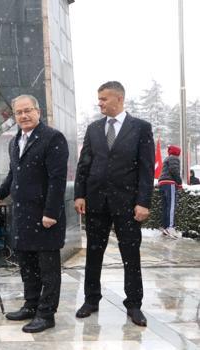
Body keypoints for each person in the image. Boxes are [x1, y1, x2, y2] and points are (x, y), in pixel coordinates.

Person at [74, 81, 155, 327]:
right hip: (96, 202)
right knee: (93, 253)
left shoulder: (140, 128)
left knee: (130, 255)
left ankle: (134, 304)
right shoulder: (94, 129)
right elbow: (84, 164)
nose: (99, 103)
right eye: (99, 98)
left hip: (128, 204)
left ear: (119, 99)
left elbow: (146, 168)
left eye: (104, 98)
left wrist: (143, 202)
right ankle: (91, 299)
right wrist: (80, 194)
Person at [0, 94, 69, 333]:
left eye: (28, 111)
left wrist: (51, 212)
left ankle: (46, 314)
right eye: (19, 112)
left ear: (38, 112)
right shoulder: (15, 141)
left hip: (45, 216)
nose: (23, 116)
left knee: (48, 269)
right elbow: (14, 173)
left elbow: (58, 179)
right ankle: (31, 304)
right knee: (27, 265)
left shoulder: (53, 138)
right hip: (22, 215)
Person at [158, 145, 182, 238]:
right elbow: (174, 170)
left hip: (163, 183)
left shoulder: (167, 158)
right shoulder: (174, 158)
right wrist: (179, 182)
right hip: (170, 183)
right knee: (171, 206)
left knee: (165, 207)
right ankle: (171, 228)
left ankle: (165, 227)